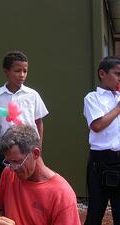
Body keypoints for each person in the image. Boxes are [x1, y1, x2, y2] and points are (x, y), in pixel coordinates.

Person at [0, 124, 81, 225]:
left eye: (17, 162)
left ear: (36, 153)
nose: (13, 168)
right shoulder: (8, 173)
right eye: (9, 162)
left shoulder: (62, 195)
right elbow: (0, 210)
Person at [0, 51, 48, 186]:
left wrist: (38, 146)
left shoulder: (32, 95)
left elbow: (39, 122)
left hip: (29, 149)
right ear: (6, 71)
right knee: (6, 184)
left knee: (30, 184)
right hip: (6, 150)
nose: (22, 75)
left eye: (25, 71)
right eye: (17, 71)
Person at [83, 56, 120, 225]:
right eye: (117, 74)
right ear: (102, 74)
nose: (119, 78)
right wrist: (118, 108)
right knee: (96, 211)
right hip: (100, 161)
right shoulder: (92, 98)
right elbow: (97, 126)